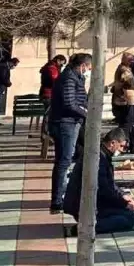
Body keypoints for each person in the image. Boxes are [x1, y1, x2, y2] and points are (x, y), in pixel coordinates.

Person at [63, 127, 134, 233]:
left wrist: (123, 195)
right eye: (121, 146)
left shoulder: (102, 155)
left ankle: (91, 224)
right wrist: (123, 203)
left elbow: (110, 184)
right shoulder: (99, 159)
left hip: (91, 203)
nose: (122, 150)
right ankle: (87, 228)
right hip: (87, 205)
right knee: (130, 218)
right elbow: (104, 189)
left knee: (130, 212)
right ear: (112, 143)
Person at [49, 53, 92, 214]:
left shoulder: (76, 77)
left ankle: (66, 193)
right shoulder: (69, 78)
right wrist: (86, 113)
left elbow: (80, 99)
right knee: (64, 161)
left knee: (71, 157)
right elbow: (69, 103)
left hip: (72, 122)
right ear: (82, 66)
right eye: (88, 68)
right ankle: (57, 201)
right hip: (64, 124)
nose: (88, 71)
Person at [110, 63, 134, 147]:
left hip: (121, 104)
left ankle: (123, 144)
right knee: (126, 126)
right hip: (126, 104)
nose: (130, 73)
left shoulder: (118, 80)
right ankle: (122, 144)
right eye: (128, 72)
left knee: (124, 125)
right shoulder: (125, 79)